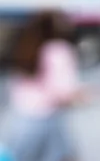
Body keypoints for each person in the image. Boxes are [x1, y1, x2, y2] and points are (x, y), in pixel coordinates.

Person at [4, 11, 91, 161]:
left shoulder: (25, 47)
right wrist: (86, 94)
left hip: (22, 120)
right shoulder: (58, 49)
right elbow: (63, 91)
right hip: (48, 120)